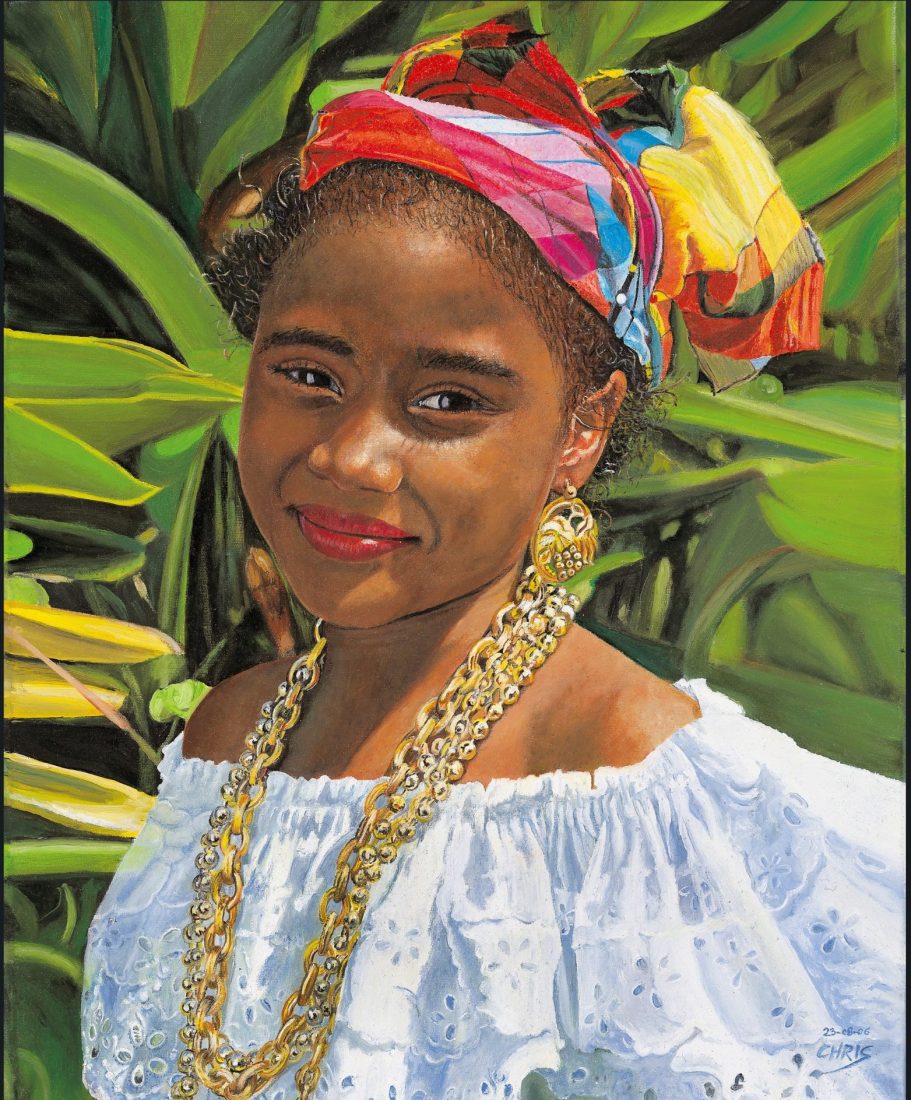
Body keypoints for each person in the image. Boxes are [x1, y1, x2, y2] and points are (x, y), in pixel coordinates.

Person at [82, 16, 904, 1100]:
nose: (350, 456)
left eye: (448, 401)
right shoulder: (228, 735)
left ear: (581, 427)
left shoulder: (633, 791)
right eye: (307, 375)